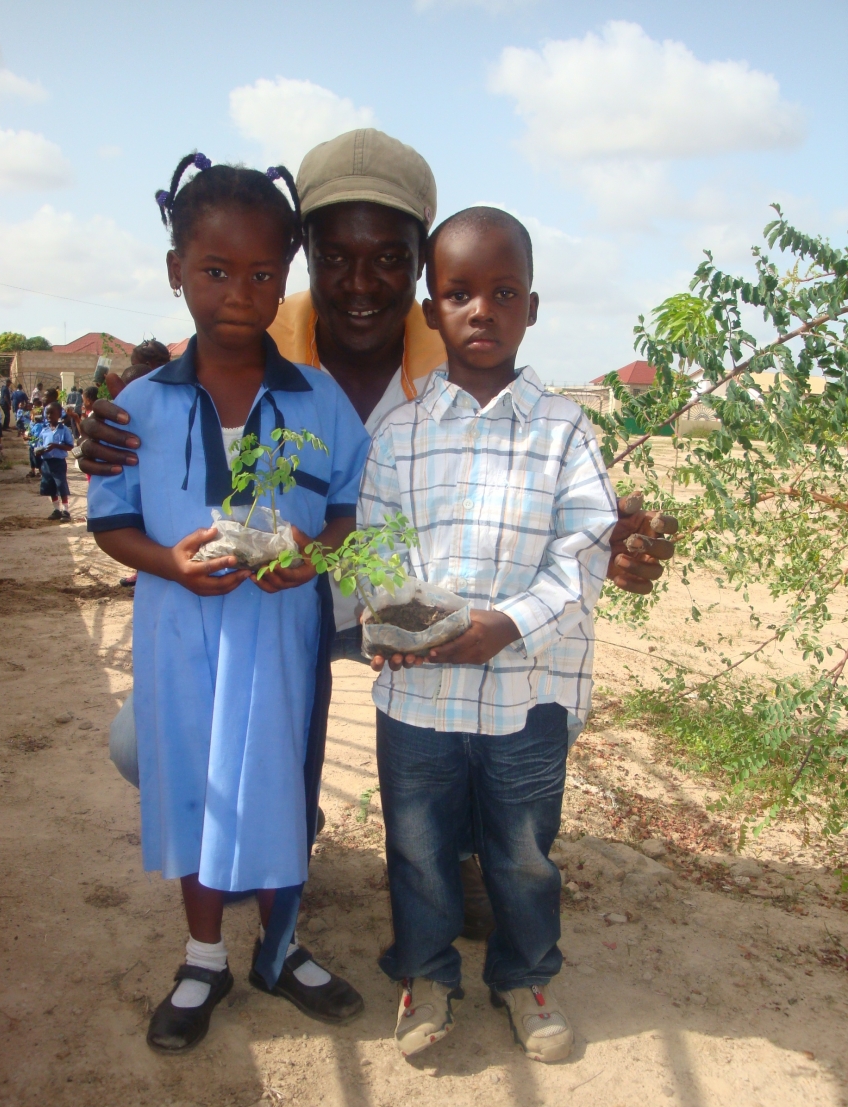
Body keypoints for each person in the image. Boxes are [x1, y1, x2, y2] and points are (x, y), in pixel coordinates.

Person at [78, 129, 677, 968]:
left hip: (399, 609)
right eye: (335, 258)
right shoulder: (257, 334)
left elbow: (540, 502)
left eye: (392, 259)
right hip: (271, 612)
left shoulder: (460, 358)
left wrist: (614, 540)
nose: (361, 284)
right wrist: (103, 436)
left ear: (423, 270)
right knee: (139, 743)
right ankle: (276, 824)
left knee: (508, 673)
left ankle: (466, 842)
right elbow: (162, 428)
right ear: (304, 257)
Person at [86, 152, 370, 1054]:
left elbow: (347, 509)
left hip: (280, 636)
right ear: (177, 271)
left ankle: (280, 950)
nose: (239, 294)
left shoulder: (319, 399)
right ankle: (203, 956)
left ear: (284, 278)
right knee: (191, 786)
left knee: (281, 787)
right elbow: (111, 522)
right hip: (178, 637)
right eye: (215, 271)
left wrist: (313, 558)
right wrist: (167, 564)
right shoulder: (138, 406)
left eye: (260, 274)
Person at [361, 207, 616, 1061]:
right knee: (419, 846)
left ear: (531, 308)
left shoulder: (564, 430)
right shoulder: (399, 437)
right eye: (460, 293)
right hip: (419, 697)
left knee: (523, 852)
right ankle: (426, 974)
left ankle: (526, 976)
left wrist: (509, 623)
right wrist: (390, 617)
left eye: (504, 293)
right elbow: (376, 548)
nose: (482, 311)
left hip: (527, 693)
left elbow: (586, 550)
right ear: (430, 310)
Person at [34, 399, 74, 520]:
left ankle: (66, 510)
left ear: (59, 414)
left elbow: (70, 446)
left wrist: (56, 446)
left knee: (61, 485)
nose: (49, 416)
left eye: (52, 413)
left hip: (58, 462)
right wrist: (38, 451)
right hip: (47, 462)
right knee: (50, 485)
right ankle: (56, 509)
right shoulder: (44, 430)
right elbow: (39, 444)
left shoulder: (64, 430)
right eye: (47, 413)